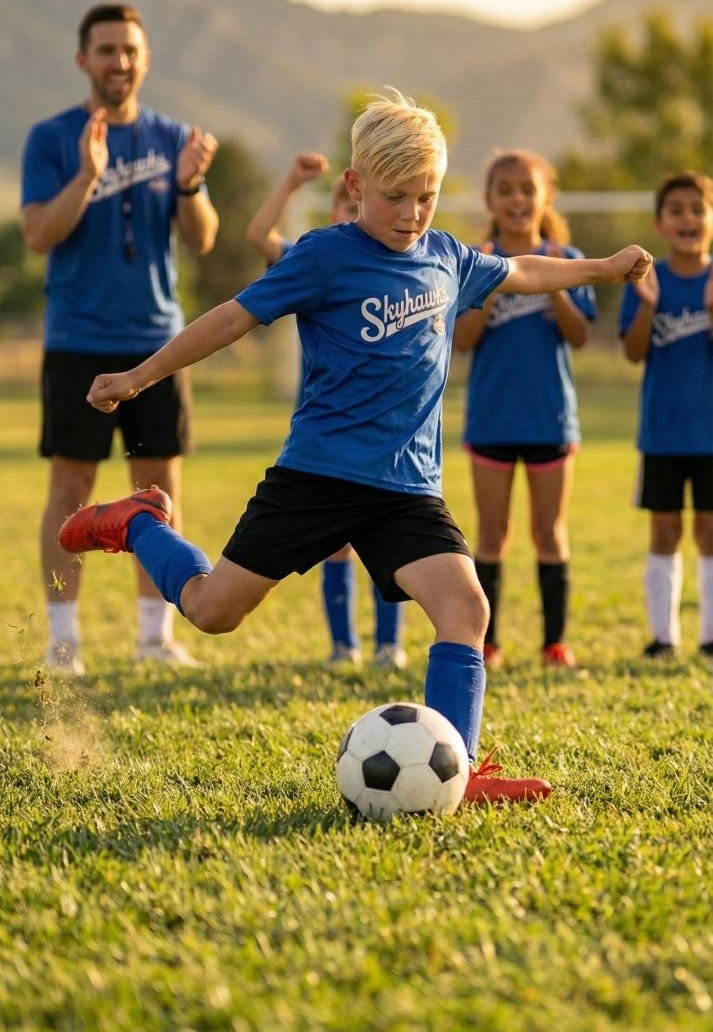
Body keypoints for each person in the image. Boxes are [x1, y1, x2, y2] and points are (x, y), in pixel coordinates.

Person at [58, 89, 652, 803]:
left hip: (405, 489)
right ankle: (139, 523)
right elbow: (229, 320)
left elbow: (522, 270)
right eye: (395, 197)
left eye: (426, 198)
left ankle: (456, 773)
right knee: (214, 611)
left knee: (465, 608)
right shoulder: (324, 256)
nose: (410, 214)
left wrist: (603, 266)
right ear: (354, 186)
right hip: (317, 477)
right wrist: (139, 375)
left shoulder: (448, 257)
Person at [21, 2, 219, 675]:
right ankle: (62, 642)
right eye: (106, 50)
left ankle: (154, 638)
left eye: (130, 50)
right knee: (71, 486)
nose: (119, 62)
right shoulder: (51, 137)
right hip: (78, 338)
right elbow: (38, 235)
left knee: (158, 487)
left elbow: (202, 239)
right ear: (83, 60)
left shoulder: (171, 137)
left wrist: (190, 182)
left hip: (158, 342)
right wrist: (86, 174)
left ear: (146, 59)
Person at [245, 151, 406, 669]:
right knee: (335, 547)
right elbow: (258, 235)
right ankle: (343, 646)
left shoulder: (399, 265)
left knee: (387, 548)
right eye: (339, 207)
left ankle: (389, 645)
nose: (346, 216)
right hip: (325, 433)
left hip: (382, 440)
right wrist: (291, 181)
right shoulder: (313, 259)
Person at [453, 150, 596, 671]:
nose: (517, 199)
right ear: (490, 200)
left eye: (526, 189)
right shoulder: (475, 262)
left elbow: (579, 335)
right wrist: (492, 281)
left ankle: (554, 643)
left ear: (545, 197)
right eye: (505, 190)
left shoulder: (567, 255)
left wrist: (553, 280)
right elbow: (463, 340)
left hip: (549, 419)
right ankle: (488, 644)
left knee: (549, 532)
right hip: (491, 419)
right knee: (491, 534)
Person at [619, 170, 713, 659]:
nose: (688, 219)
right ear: (660, 222)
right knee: (664, 531)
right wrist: (648, 308)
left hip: (710, 435)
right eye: (676, 211)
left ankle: (710, 635)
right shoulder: (648, 280)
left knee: (710, 531)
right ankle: (663, 637)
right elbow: (634, 353)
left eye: (698, 209)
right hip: (663, 432)